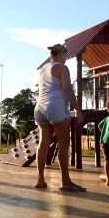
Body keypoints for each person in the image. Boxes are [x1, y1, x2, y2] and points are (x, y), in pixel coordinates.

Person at [34, 43, 85, 192]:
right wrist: (78, 110)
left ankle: (40, 179)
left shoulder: (42, 69)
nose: (67, 58)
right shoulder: (62, 68)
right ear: (61, 54)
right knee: (64, 143)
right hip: (56, 106)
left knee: (43, 142)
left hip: (39, 108)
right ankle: (66, 181)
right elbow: (68, 90)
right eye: (66, 55)